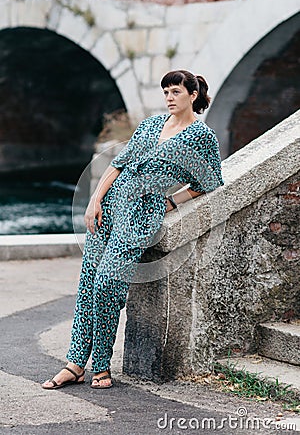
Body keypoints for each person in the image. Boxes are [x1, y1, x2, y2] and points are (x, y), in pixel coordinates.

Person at [42, 69, 224, 390]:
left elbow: (208, 182)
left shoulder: (202, 137)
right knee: (88, 285)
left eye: (176, 92)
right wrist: (95, 199)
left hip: (141, 215)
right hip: (110, 206)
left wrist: (170, 201)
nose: (169, 98)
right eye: (166, 92)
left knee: (108, 283)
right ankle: (74, 364)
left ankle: (101, 363)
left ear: (192, 96)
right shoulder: (152, 124)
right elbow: (118, 164)